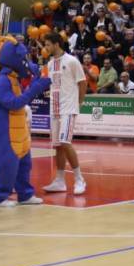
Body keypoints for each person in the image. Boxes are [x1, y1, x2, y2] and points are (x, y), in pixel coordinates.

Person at [42, 33, 87, 195]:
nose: (46, 48)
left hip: (68, 108)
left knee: (65, 142)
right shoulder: (49, 63)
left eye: (47, 45)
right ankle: (60, 181)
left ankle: (79, 179)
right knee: (58, 146)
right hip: (54, 109)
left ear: (56, 44)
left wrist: (78, 103)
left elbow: (82, 83)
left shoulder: (72, 61)